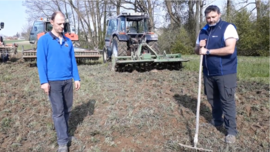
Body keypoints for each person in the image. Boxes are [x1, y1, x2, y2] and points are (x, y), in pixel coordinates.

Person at [37, 11, 80, 152]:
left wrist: (76, 78)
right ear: (51, 22)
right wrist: (44, 81)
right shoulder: (44, 40)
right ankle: (62, 142)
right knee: (58, 112)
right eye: (59, 23)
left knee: (67, 109)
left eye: (63, 23)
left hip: (67, 80)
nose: (62, 26)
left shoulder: (68, 41)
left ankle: (65, 134)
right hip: (53, 82)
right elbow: (41, 62)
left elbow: (72, 60)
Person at [194, 5, 239, 144]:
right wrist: (199, 47)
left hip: (225, 71)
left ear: (219, 15)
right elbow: (197, 51)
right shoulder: (203, 31)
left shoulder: (227, 28)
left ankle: (231, 131)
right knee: (212, 98)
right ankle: (217, 121)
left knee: (227, 100)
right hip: (208, 72)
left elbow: (230, 49)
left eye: (213, 17)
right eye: (208, 17)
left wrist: (207, 51)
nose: (211, 19)